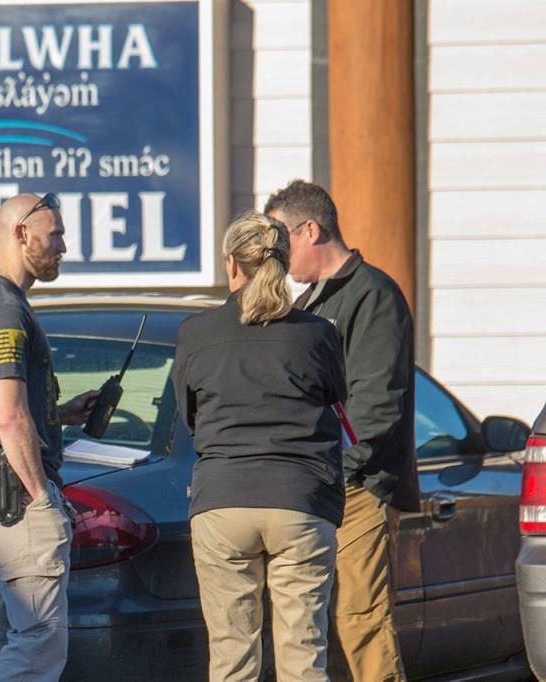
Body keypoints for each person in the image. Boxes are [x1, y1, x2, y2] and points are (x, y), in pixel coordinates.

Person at [173, 211, 348, 680]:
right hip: (301, 501)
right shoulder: (318, 334)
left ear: (232, 264)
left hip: (223, 500)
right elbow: (338, 403)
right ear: (285, 263)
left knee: (232, 656)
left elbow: (190, 419)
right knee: (304, 653)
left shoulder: (195, 333)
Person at [265, 179, 420, 681]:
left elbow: (377, 411)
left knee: (360, 623)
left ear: (310, 230)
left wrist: (335, 474)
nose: (275, 253)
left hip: (355, 491)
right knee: (319, 630)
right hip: (315, 492)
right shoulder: (312, 301)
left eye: (280, 238)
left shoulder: (372, 296)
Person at [0, 192, 98, 682]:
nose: (63, 246)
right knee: (39, 635)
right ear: (20, 234)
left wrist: (58, 415)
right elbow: (9, 418)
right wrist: (42, 502)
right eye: (53, 234)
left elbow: (8, 411)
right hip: (11, 495)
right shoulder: (3, 310)